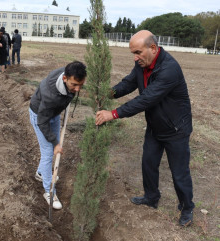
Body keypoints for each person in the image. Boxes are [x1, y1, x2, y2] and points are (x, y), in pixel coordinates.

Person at [95, 30, 194, 226]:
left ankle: (187, 208)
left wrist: (113, 113)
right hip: (155, 126)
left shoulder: (169, 69)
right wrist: (110, 93)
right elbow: (129, 83)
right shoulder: (141, 64)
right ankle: (151, 197)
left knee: (179, 172)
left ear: (153, 48)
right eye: (133, 53)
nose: (135, 57)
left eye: (138, 52)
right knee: (148, 164)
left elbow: (146, 99)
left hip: (176, 129)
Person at [29, 61, 87, 209]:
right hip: (40, 116)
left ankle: (41, 173)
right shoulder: (51, 96)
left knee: (51, 149)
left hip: (53, 113)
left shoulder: (69, 72)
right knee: (49, 150)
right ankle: (49, 190)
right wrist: (55, 143)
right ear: (65, 79)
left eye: (80, 84)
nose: (77, 89)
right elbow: (42, 122)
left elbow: (74, 84)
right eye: (74, 85)